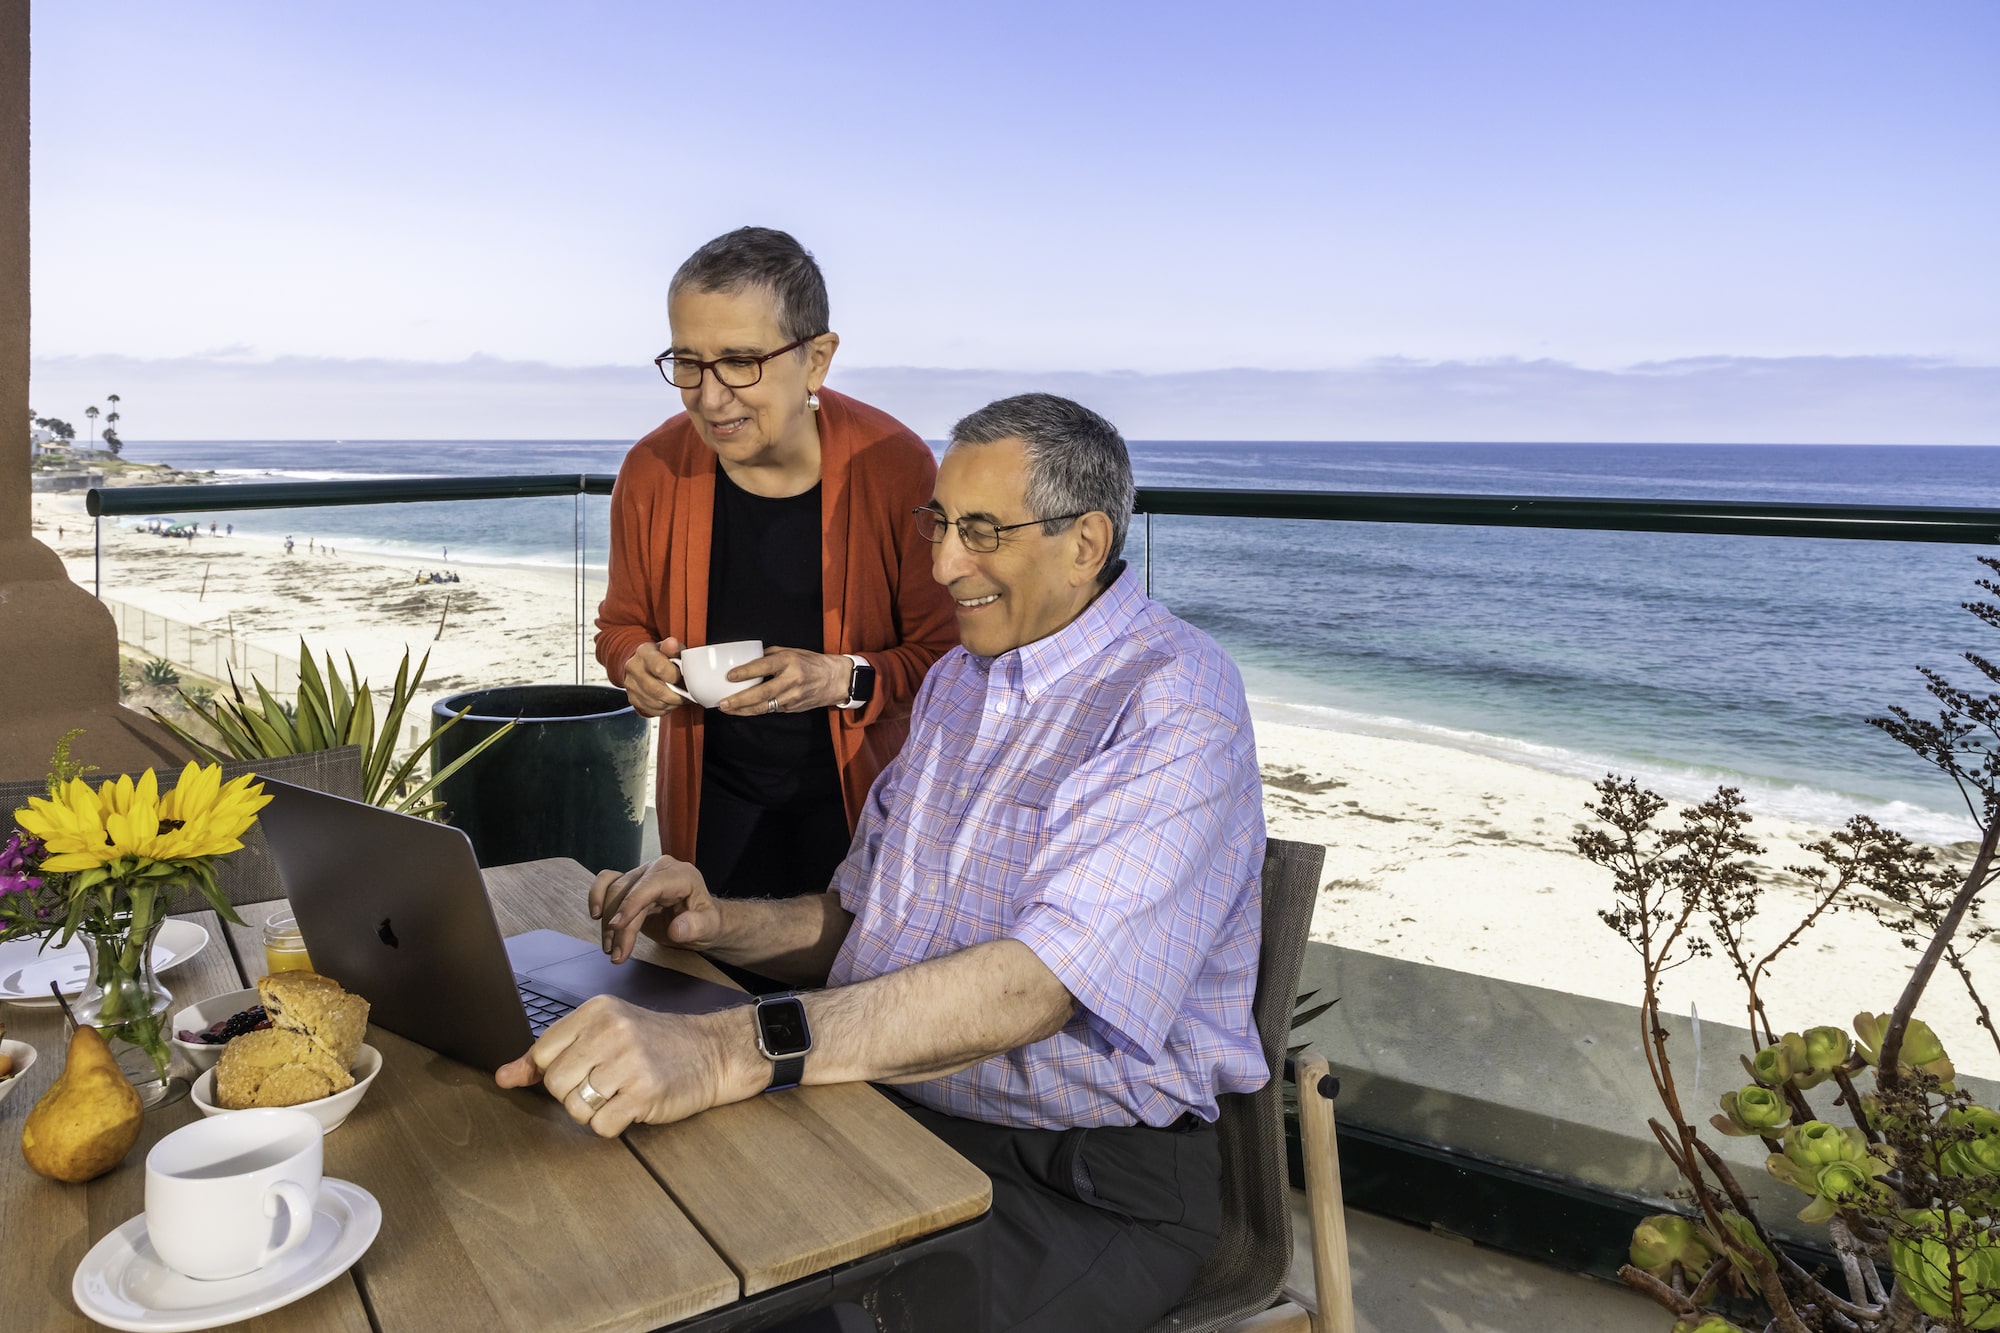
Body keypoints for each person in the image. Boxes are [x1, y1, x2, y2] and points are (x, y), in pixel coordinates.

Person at [503, 394, 1267, 1333]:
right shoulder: (958, 681)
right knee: (631, 1232)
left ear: (1086, 542)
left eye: (980, 531)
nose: (943, 563)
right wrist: (721, 919)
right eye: (938, 523)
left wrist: (725, 1049)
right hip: (889, 1107)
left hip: (1080, 1176)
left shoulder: (1172, 700)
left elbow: (1035, 989)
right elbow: (863, 923)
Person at [594, 227, 957, 918]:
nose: (709, 395)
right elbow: (620, 625)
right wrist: (633, 663)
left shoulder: (896, 465)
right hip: (709, 805)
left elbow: (948, 658)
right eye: (689, 362)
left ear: (816, 359)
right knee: (712, 996)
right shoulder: (650, 469)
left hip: (867, 808)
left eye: (739, 361)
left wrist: (840, 676)